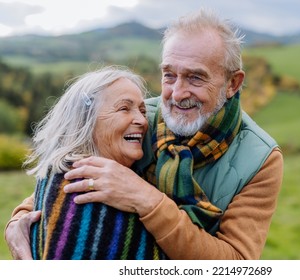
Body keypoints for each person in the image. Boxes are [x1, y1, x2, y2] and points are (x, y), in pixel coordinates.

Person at [5, 8, 283, 260]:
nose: (177, 93)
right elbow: (71, 174)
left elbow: (236, 264)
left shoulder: (260, 159)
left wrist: (147, 200)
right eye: (169, 75)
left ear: (233, 83)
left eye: (195, 77)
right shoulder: (140, 117)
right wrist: (19, 219)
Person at [21, 66, 167, 259]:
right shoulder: (82, 194)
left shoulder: (71, 175)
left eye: (142, 110)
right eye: (124, 108)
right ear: (86, 120)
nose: (142, 120)